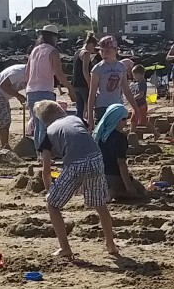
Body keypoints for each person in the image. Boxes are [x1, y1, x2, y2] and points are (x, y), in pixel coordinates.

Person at [33, 100, 118, 261]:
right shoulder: (76, 119)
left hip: (76, 163)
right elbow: (84, 135)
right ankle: (111, 244)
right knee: (100, 204)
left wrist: (49, 190)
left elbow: (46, 169)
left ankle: (65, 248)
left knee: (52, 205)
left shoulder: (48, 133)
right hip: (96, 158)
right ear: (60, 110)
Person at [24, 25, 73, 158]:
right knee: (46, 126)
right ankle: (44, 155)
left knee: (37, 125)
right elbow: (59, 73)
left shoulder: (34, 51)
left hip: (31, 91)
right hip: (44, 91)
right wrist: (69, 87)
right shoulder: (53, 51)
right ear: (53, 37)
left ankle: (39, 156)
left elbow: (27, 73)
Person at [96, 104, 146, 202]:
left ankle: (107, 191)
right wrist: (129, 186)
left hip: (99, 177)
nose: (126, 122)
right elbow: (121, 164)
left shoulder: (98, 135)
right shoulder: (119, 138)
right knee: (142, 193)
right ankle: (114, 193)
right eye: (124, 119)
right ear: (116, 120)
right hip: (113, 176)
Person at [86, 36, 138, 128]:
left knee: (118, 133)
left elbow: (126, 89)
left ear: (115, 50)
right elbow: (92, 93)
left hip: (117, 105)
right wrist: (90, 117)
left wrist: (135, 108)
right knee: (103, 135)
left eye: (108, 51)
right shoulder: (98, 69)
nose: (104, 54)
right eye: (102, 51)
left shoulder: (121, 67)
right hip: (102, 106)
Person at [0, 62, 27, 148]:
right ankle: (5, 146)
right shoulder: (19, 72)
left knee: (6, 120)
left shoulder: (31, 74)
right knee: (4, 121)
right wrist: (18, 96)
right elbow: (3, 85)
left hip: (2, 96)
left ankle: (5, 144)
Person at [72, 33, 98, 115]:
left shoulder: (77, 52)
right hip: (83, 84)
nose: (93, 50)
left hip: (75, 83)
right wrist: (90, 84)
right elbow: (85, 70)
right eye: (94, 47)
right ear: (90, 44)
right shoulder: (86, 53)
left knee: (79, 107)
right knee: (88, 105)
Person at [129, 64, 149, 132]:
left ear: (138, 74)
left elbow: (141, 94)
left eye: (134, 75)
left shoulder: (142, 83)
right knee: (133, 120)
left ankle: (155, 133)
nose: (133, 77)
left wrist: (133, 98)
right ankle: (131, 134)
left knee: (143, 121)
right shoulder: (138, 83)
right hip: (137, 105)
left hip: (141, 105)